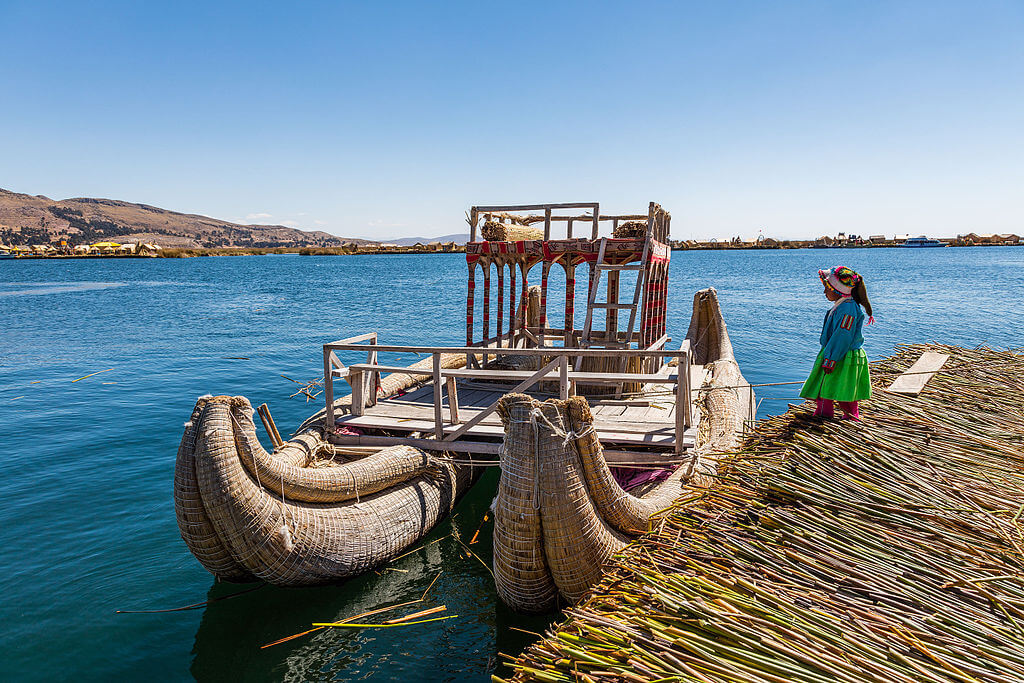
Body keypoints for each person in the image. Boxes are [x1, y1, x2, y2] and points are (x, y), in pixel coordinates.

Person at [799, 266, 874, 420]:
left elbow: (843, 336)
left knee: (843, 387)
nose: (824, 292)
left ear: (838, 290)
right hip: (834, 351)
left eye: (827, 289)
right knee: (824, 383)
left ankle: (851, 416)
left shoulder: (847, 309)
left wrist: (831, 358)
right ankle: (824, 413)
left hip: (842, 354)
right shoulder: (842, 305)